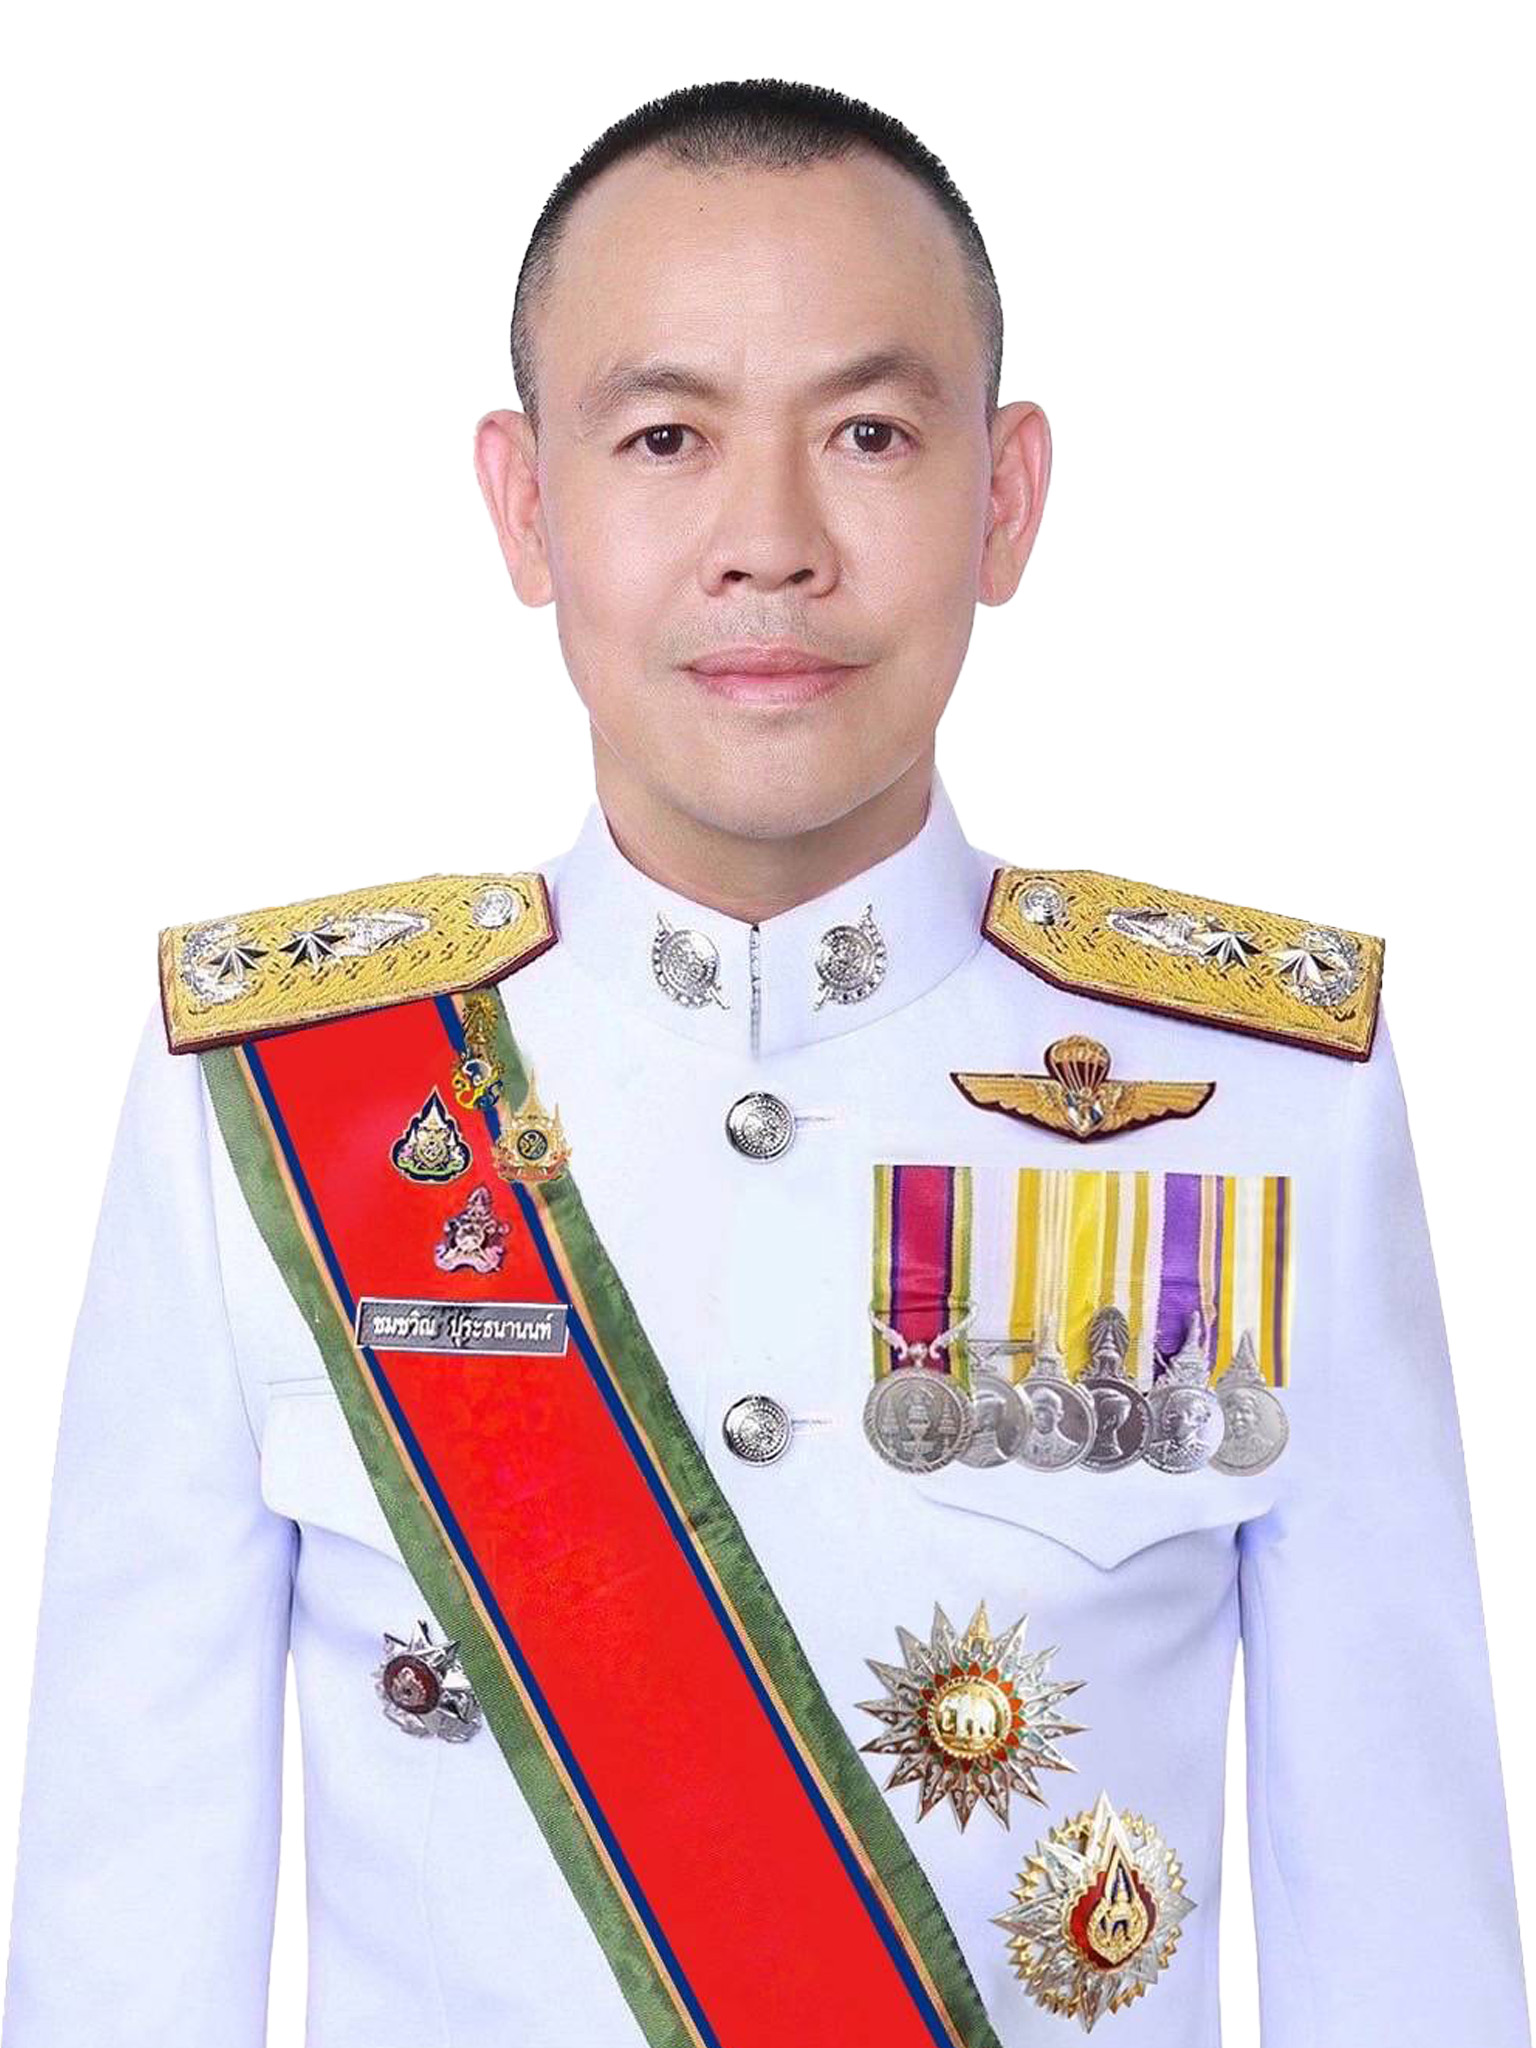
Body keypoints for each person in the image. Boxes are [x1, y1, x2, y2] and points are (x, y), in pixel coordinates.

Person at [2, 74, 1528, 2048]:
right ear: (525, 504)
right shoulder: (275, 1107)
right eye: (665, 437)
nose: (771, 544)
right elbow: (123, 1948)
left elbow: (1402, 1943)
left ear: (1006, 498)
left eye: (870, 434)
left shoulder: (1272, 1100)